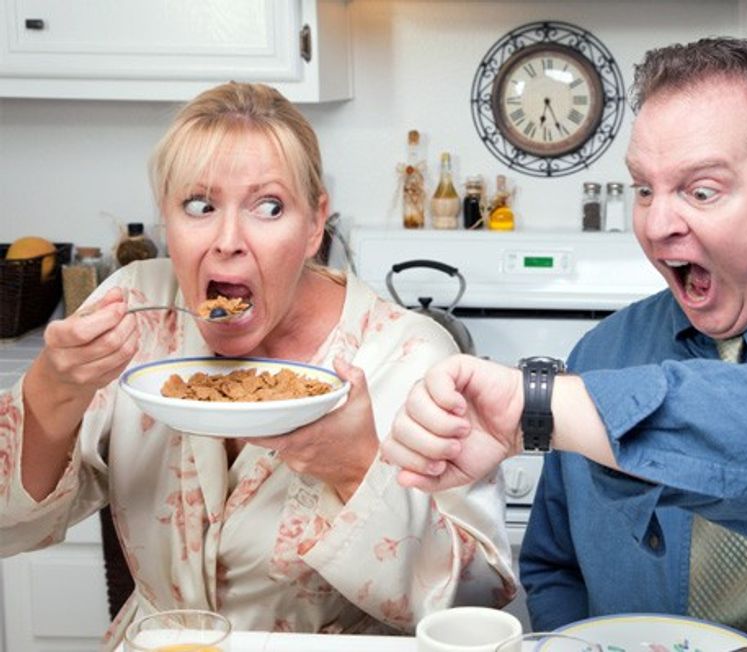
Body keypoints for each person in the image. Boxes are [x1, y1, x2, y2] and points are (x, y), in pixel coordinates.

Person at [382, 37, 747, 650]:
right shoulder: (602, 357)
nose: (656, 223)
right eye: (644, 189)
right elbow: (556, 566)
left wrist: (544, 408)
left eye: (700, 191)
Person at [0, 82, 516, 649]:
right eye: (199, 205)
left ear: (316, 224)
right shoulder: (137, 314)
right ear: (166, 219)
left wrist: (356, 470)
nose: (228, 242)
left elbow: (480, 606)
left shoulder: (410, 357)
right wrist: (53, 391)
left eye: (269, 207)